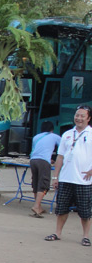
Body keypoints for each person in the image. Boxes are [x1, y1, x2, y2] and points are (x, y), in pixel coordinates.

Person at [45, 105, 92, 246]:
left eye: (82, 116)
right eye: (77, 115)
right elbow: (60, 157)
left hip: (84, 180)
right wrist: (56, 176)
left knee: (85, 211)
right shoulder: (67, 134)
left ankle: (85, 236)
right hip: (66, 178)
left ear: (88, 118)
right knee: (62, 208)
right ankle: (58, 233)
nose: (79, 118)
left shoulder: (91, 134)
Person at [28, 120, 61, 217]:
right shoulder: (54, 136)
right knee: (44, 183)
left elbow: (39, 150)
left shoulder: (36, 137)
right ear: (52, 129)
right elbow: (63, 148)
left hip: (33, 160)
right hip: (43, 161)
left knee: (36, 182)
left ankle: (39, 206)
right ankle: (36, 206)